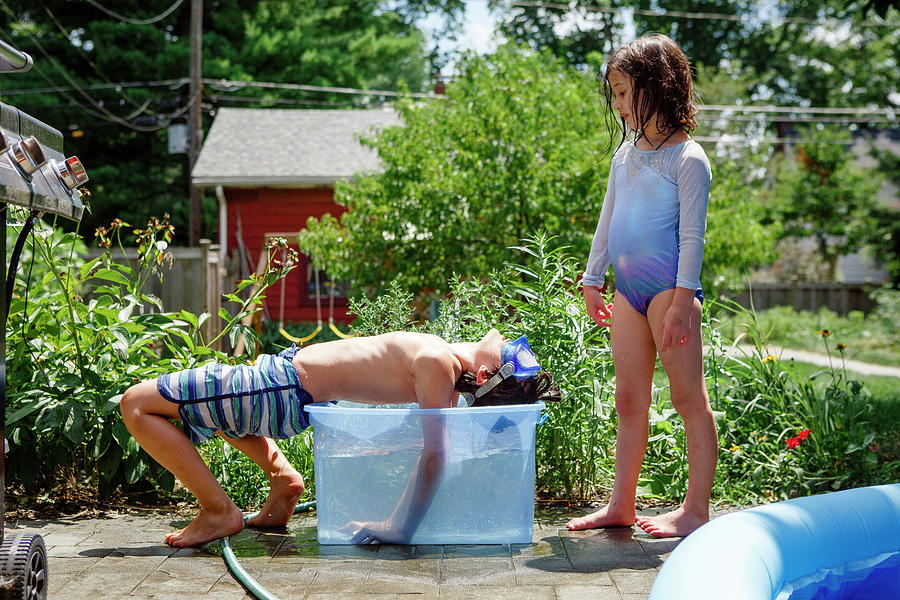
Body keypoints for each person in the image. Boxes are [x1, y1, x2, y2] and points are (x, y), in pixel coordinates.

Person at [120, 329, 559, 547]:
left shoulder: (436, 364)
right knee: (215, 409)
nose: (505, 336)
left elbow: (435, 456)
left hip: (281, 387)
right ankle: (281, 477)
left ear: (484, 374)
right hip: (283, 382)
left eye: (507, 348)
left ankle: (219, 511)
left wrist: (397, 529)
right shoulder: (442, 359)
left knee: (137, 404)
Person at [566, 34, 718, 539]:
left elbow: (693, 237)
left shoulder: (688, 159)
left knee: (687, 398)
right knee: (629, 400)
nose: (619, 104)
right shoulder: (626, 155)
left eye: (625, 92)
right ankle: (621, 505)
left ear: (659, 87)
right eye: (614, 93)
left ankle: (695, 509)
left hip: (669, 294)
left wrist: (682, 299)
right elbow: (607, 221)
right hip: (627, 293)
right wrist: (592, 278)